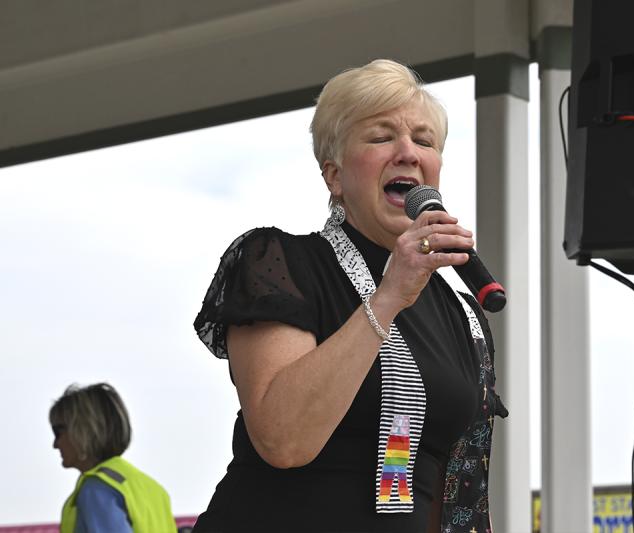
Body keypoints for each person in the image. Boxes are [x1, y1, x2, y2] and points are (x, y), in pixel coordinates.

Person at [193, 58, 507, 533]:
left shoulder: (460, 313)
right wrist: (387, 298)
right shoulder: (279, 262)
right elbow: (283, 440)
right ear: (335, 176)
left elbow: (455, 485)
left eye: (423, 140)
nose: (407, 152)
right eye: (382, 137)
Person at [50, 382, 176, 533]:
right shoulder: (151, 488)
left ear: (83, 430)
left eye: (58, 431)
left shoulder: (96, 490)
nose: (55, 444)